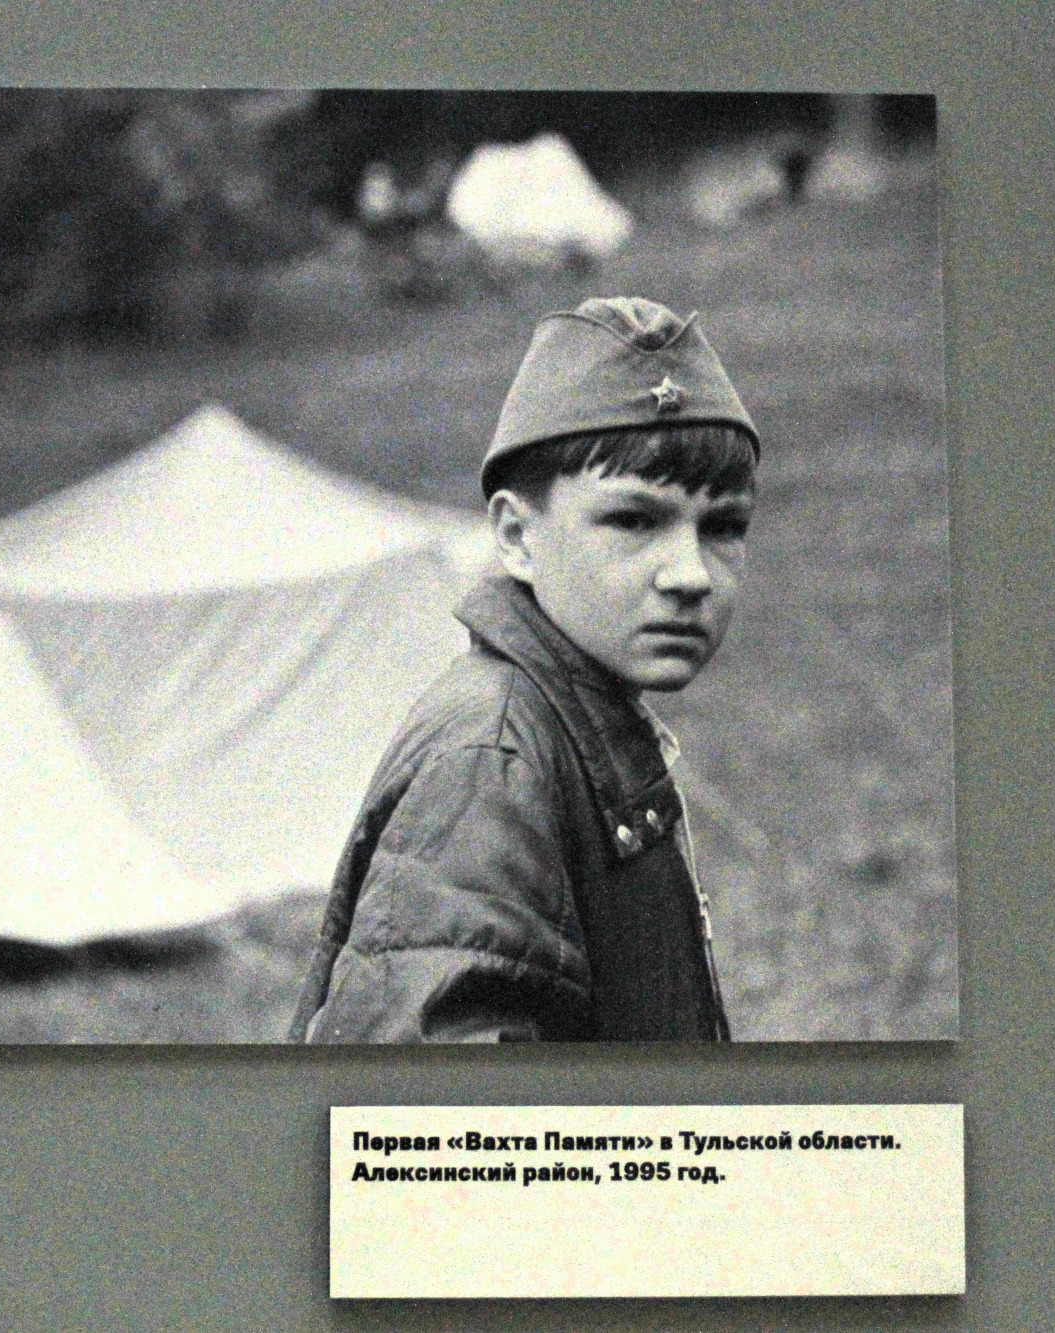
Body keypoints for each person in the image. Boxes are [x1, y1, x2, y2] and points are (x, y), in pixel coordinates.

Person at [288, 296, 761, 1042]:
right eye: (633, 520)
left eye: (723, 526)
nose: (691, 574)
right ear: (515, 536)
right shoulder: (494, 758)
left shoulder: (577, 716)